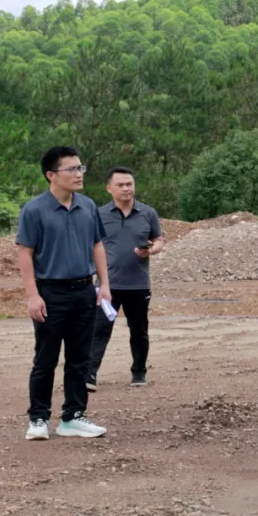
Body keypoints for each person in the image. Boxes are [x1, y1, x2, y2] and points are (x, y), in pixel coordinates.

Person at [17, 146, 110, 440]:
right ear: (51, 175)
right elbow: (25, 253)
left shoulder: (88, 206)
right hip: (51, 293)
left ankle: (72, 416)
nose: (79, 174)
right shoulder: (34, 210)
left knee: (80, 359)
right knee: (45, 359)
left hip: (84, 291)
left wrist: (104, 285)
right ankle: (38, 418)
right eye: (72, 169)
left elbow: (97, 245)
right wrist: (33, 295)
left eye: (80, 168)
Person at [87, 167, 164, 390]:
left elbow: (158, 239)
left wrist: (151, 250)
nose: (126, 189)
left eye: (129, 184)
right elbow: (90, 245)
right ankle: (89, 375)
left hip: (138, 284)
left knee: (139, 330)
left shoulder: (148, 213)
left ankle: (139, 373)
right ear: (109, 188)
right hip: (107, 285)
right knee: (99, 330)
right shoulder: (99, 215)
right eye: (120, 185)